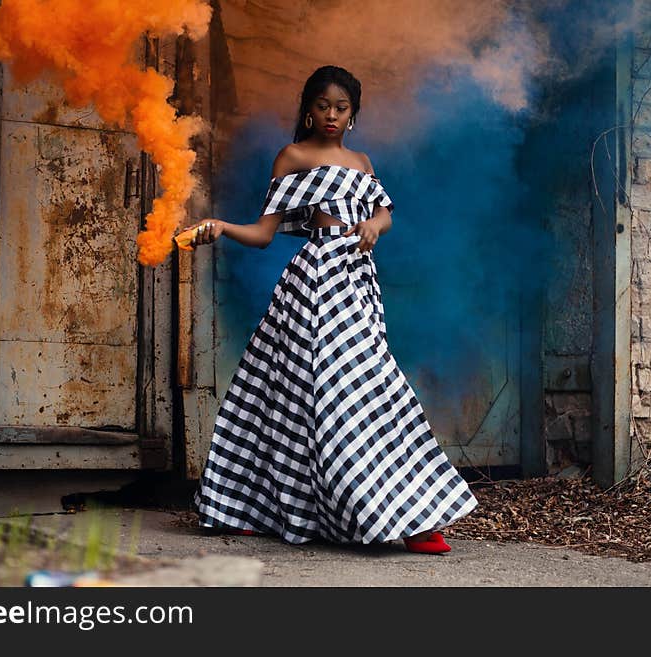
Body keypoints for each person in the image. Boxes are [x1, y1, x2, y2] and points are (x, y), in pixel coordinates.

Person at [188, 65, 478, 554]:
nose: (331, 115)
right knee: (298, 397)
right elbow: (263, 234)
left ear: (353, 115)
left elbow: (383, 211)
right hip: (313, 280)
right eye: (323, 106)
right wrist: (220, 226)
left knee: (371, 390)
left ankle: (410, 517)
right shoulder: (293, 157)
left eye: (341, 108)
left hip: (357, 283)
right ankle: (251, 507)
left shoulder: (361, 162)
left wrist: (374, 228)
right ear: (307, 109)